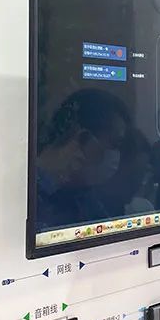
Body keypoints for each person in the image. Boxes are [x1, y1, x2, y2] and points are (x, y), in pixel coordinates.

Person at [35, 89, 130, 230]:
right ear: (83, 139)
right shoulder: (28, 197)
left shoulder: (83, 197)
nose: (116, 156)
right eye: (114, 144)